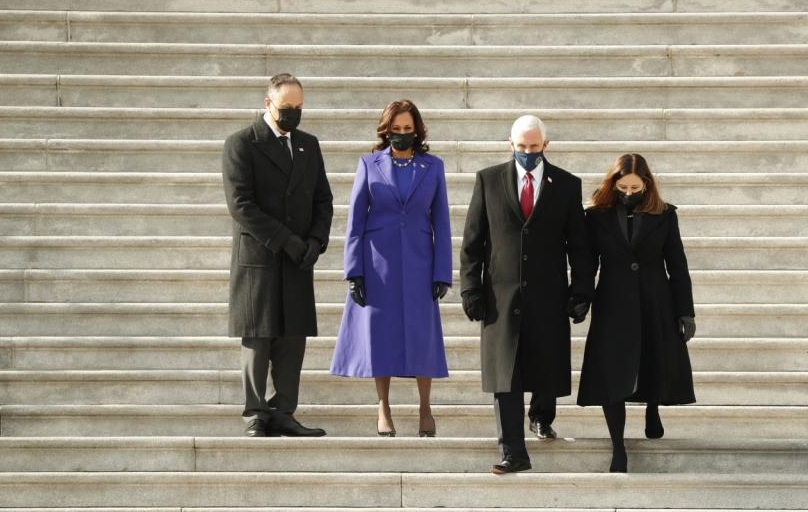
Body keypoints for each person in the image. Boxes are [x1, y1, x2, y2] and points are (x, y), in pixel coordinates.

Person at [460, 115, 594, 474]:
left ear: (545, 146)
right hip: (500, 298)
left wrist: (582, 291)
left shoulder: (566, 185)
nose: (528, 153)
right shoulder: (487, 181)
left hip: (548, 294)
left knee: (544, 363)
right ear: (510, 144)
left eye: (534, 147)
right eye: (522, 147)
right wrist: (470, 288)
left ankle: (541, 415)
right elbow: (473, 242)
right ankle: (513, 452)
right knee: (505, 375)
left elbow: (580, 247)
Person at [330, 100, 451, 437]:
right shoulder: (368, 165)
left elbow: (442, 221)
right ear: (386, 131)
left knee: (422, 334)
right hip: (377, 262)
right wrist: (353, 271)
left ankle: (425, 406)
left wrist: (442, 271)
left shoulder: (433, 166)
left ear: (417, 130)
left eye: (407, 130)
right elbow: (355, 221)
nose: (401, 135)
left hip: (419, 260)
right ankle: (383, 407)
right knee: (380, 335)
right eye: (395, 130)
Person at [222, 72, 333, 437]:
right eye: (287, 108)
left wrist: (316, 241)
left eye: (299, 108)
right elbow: (241, 205)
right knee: (258, 337)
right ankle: (255, 413)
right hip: (261, 257)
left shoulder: (308, 144)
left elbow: (323, 199)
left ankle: (284, 410)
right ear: (268, 103)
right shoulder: (242, 143)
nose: (294, 114)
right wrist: (287, 240)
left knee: (292, 340)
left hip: (299, 259)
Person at [577, 153, 696, 472]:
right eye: (623, 187)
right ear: (613, 184)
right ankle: (618, 446)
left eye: (635, 187)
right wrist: (581, 298)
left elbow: (678, 264)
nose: (629, 193)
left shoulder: (665, 214)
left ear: (647, 184)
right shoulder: (596, 216)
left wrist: (685, 311)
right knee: (611, 371)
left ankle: (652, 407)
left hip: (656, 297)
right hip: (613, 301)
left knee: (652, 358)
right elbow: (588, 264)